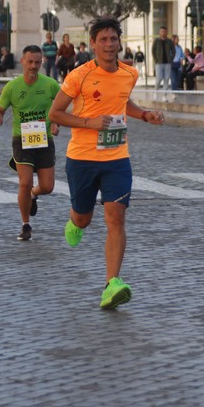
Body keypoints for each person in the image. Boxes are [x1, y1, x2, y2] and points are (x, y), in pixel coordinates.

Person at [48, 17, 164, 310]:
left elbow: (122, 101)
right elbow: (56, 113)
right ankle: (75, 222)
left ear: (119, 41)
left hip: (117, 158)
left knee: (116, 217)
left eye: (114, 39)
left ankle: (112, 283)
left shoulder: (129, 73)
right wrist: (89, 122)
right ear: (94, 43)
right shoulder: (80, 75)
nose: (109, 44)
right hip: (82, 159)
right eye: (104, 40)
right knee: (84, 218)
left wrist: (145, 114)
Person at [0, 45, 60, 241]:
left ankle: (33, 194)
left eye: (37, 62)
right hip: (21, 139)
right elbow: (0, 108)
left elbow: (61, 105)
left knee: (47, 187)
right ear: (22, 62)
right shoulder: (12, 87)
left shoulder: (50, 85)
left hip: (44, 139)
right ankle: (25, 225)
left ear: (42, 63)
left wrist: (55, 122)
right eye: (30, 62)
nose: (33, 66)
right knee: (25, 182)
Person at [151, 26, 175, 92]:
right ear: (159, 32)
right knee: (159, 78)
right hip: (159, 63)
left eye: (164, 31)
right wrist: (155, 60)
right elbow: (153, 50)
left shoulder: (169, 41)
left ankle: (165, 95)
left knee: (166, 79)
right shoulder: (156, 41)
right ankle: (156, 90)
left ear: (166, 33)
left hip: (167, 63)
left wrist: (171, 59)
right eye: (162, 31)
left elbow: (173, 51)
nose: (163, 33)